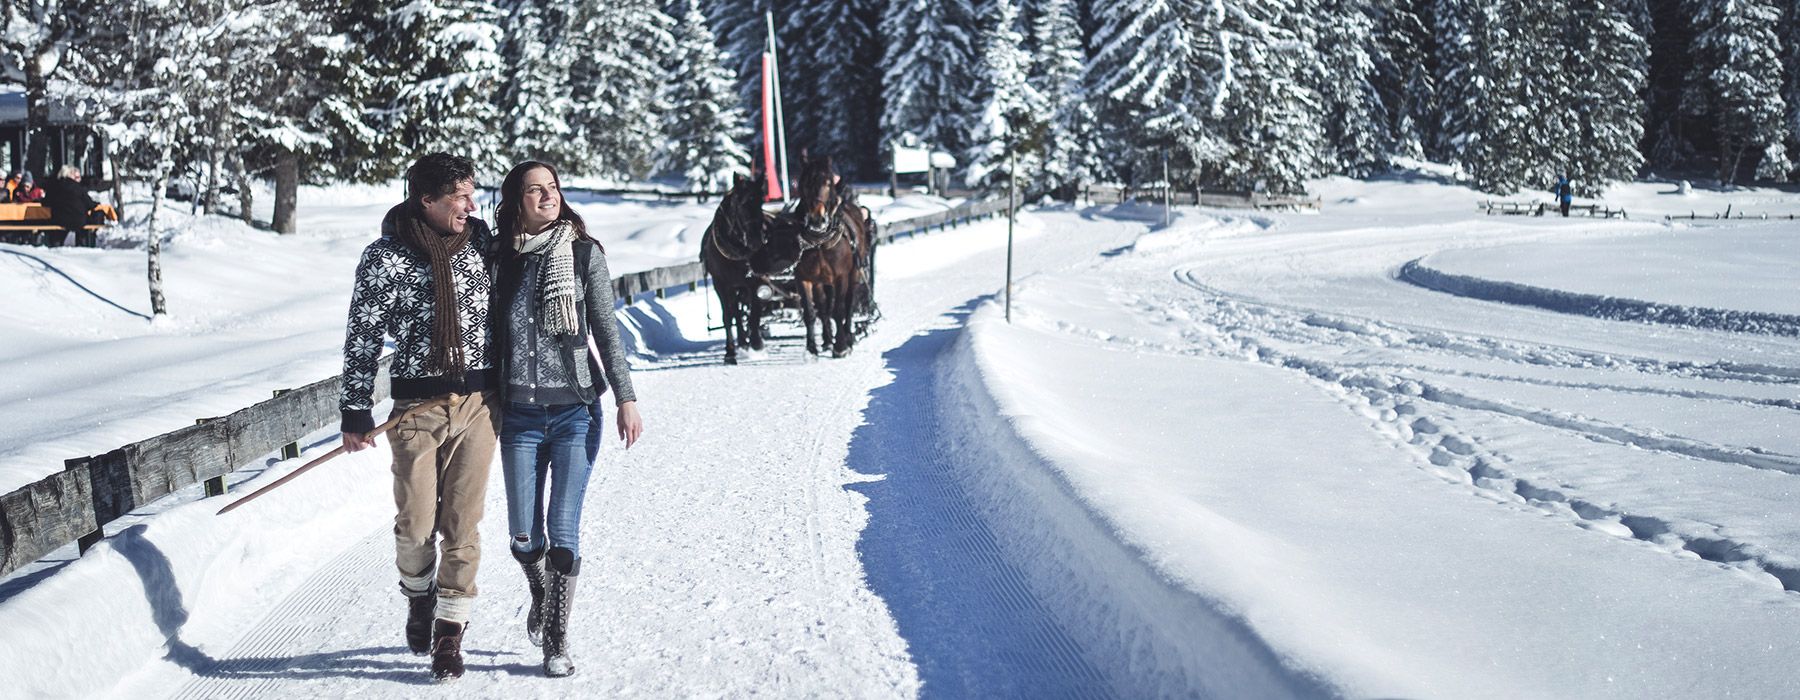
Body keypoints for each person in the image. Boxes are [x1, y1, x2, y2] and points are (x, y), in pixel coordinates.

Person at [338, 152, 500, 683]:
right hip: (415, 412)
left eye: (472, 193)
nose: (471, 205)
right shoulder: (385, 257)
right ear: (425, 200)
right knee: (415, 527)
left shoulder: (481, 247)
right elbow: (362, 336)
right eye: (459, 196)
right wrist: (355, 409)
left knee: (462, 524)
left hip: (476, 407)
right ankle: (418, 595)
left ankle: (451, 632)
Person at [490, 160, 643, 678]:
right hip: (519, 416)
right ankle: (542, 593)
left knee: (562, 529)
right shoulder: (496, 258)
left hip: (576, 410)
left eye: (551, 187)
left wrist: (626, 396)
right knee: (522, 536)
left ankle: (556, 640)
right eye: (534, 190)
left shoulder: (582, 254)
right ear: (515, 202)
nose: (546, 196)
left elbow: (606, 327)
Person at [39, 165, 112, 246]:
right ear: (71, 175)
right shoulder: (78, 188)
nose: (79, 179)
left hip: (59, 220)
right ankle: (83, 243)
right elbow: (90, 204)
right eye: (76, 177)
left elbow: (45, 203)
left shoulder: (54, 188)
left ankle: (55, 244)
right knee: (94, 217)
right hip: (79, 220)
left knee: (54, 227)